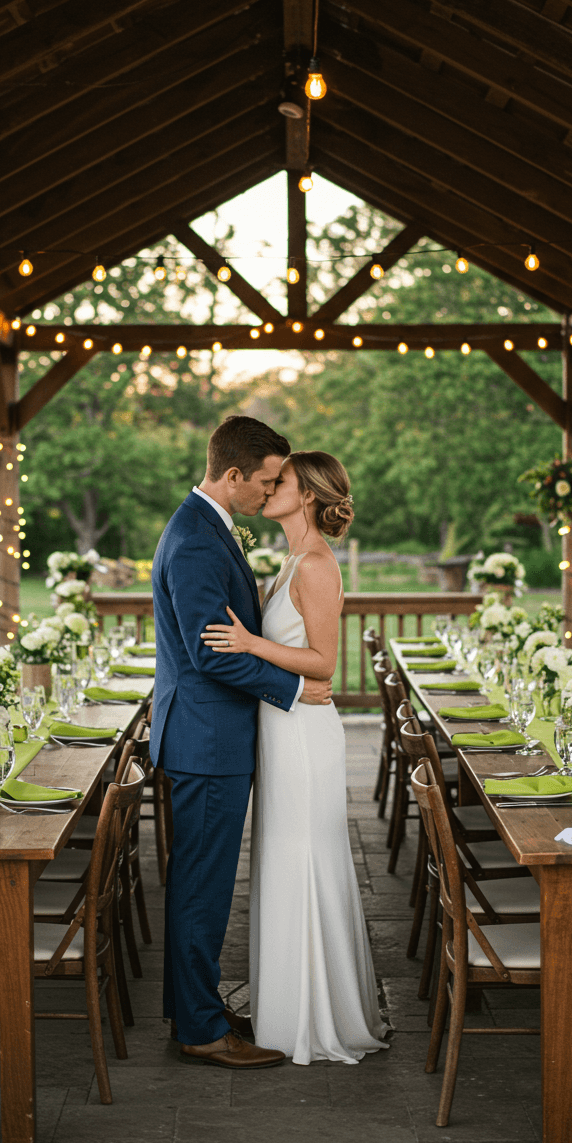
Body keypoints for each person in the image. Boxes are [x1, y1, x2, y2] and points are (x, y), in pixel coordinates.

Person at [151, 416, 334, 1070]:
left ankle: (193, 1009)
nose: (267, 491)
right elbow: (211, 657)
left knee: (197, 884)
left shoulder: (202, 526)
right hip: (207, 741)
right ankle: (201, 1029)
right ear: (232, 476)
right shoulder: (198, 541)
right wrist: (291, 691)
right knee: (202, 888)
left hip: (208, 737)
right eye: (262, 481)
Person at [201, 452, 389, 1065]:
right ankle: (287, 1005)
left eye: (279, 482)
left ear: (307, 495)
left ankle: (315, 1016)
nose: (267, 488)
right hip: (282, 727)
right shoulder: (288, 562)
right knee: (281, 862)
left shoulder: (315, 566)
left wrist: (251, 643)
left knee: (304, 859)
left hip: (305, 735)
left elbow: (325, 665)